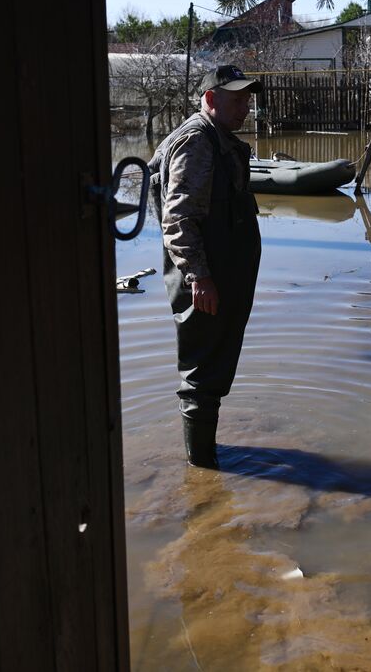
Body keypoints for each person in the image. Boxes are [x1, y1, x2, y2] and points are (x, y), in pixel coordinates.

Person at [148, 65, 264, 468]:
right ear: (211, 99)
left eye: (248, 99)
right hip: (205, 281)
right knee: (201, 376)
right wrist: (200, 277)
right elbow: (178, 219)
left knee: (212, 372)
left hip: (219, 278)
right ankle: (201, 470)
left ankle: (205, 459)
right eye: (237, 100)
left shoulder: (219, 140)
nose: (245, 108)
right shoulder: (197, 142)